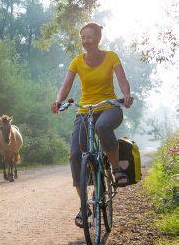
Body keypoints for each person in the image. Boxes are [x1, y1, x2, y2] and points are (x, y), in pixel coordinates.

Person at [51, 22, 132, 227]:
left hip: (109, 107)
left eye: (90, 37)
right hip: (85, 111)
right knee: (76, 155)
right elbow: (66, 85)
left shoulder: (111, 56)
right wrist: (59, 100)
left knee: (102, 126)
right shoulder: (77, 61)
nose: (86, 41)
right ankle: (83, 206)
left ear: (98, 38)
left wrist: (126, 95)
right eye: (83, 38)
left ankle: (116, 169)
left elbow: (122, 79)